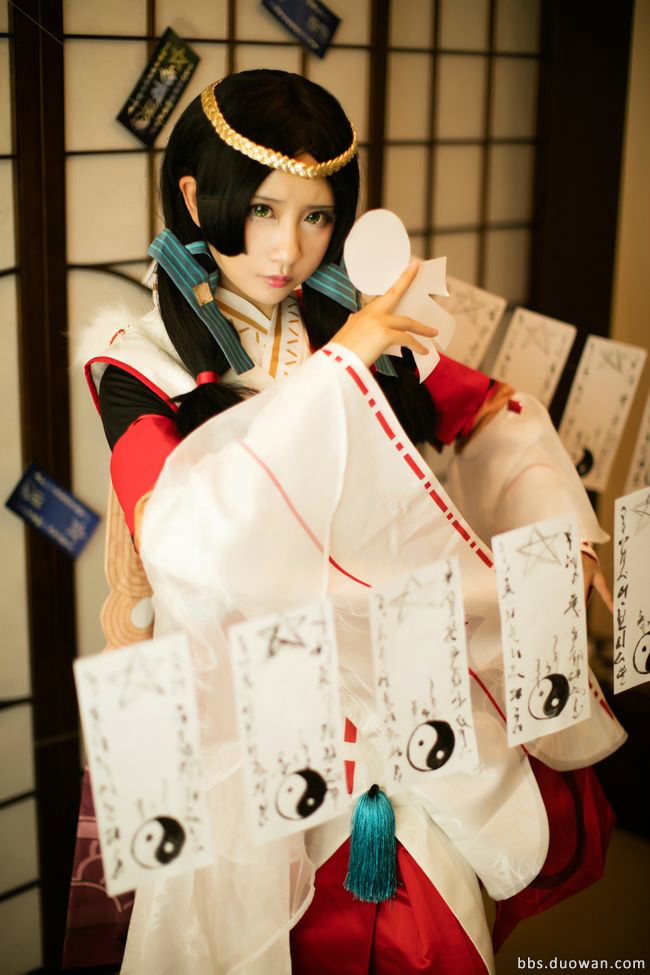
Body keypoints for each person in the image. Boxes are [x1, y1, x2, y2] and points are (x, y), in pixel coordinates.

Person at [69, 71, 623, 974]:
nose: (288, 248)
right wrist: (345, 365)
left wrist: (562, 541)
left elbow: (496, 413)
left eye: (317, 216)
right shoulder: (138, 363)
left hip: (399, 690)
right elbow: (184, 538)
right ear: (195, 198)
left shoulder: (358, 325)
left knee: (430, 935)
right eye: (262, 209)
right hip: (249, 707)